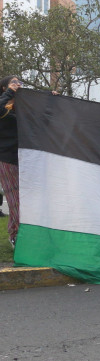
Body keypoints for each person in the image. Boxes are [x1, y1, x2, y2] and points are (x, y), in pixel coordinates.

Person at [0, 75, 22, 248]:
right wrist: (9, 93)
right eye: (13, 83)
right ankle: (14, 235)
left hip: (26, 159)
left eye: (19, 82)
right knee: (15, 201)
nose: (18, 84)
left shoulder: (22, 107)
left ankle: (26, 234)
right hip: (8, 159)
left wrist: (50, 98)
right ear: (4, 88)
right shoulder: (4, 106)